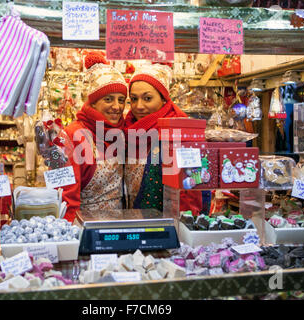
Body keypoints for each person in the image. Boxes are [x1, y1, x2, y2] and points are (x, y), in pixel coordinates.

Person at [124, 62, 202, 213]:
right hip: (132, 221)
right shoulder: (128, 131)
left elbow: (191, 188)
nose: (138, 106)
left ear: (164, 99)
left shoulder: (180, 133)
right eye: (133, 99)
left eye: (147, 98)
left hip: (167, 224)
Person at [61, 52, 128, 222]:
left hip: (119, 228)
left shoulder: (121, 133)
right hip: (86, 230)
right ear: (93, 102)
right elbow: (66, 198)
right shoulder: (73, 136)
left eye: (121, 100)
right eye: (108, 99)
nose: (117, 106)